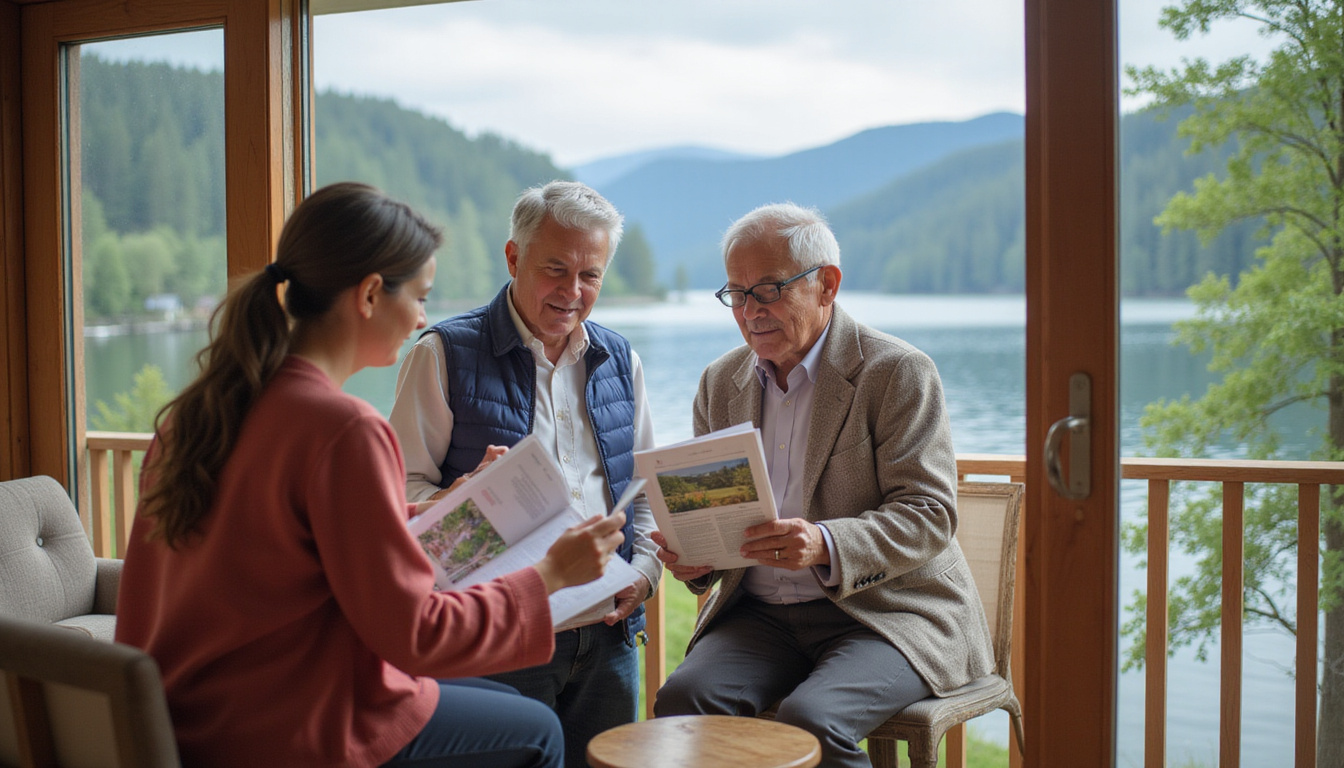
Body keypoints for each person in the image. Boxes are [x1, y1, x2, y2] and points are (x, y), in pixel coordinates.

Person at [115, 182, 628, 768]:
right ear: (368, 296)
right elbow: (416, 633)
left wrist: (428, 510)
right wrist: (549, 574)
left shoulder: (198, 412)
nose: (421, 320)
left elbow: (288, 538)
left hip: (188, 717)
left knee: (487, 700)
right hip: (289, 727)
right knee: (538, 730)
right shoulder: (344, 429)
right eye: (420, 297)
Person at [651, 202, 995, 768]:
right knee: (684, 702)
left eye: (768, 289)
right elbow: (718, 520)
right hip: (760, 618)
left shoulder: (897, 372)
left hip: (887, 614)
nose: (749, 311)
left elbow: (929, 512)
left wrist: (825, 543)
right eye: (736, 293)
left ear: (827, 284)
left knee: (811, 721)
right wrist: (696, 560)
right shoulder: (720, 383)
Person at [388, 180, 660, 768]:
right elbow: (401, 494)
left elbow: (645, 496)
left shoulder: (620, 359)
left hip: (609, 635)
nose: (573, 292)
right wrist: (464, 497)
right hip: (501, 633)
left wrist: (645, 574)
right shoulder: (441, 353)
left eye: (591, 276)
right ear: (513, 257)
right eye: (555, 270)